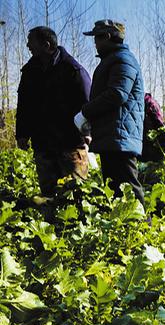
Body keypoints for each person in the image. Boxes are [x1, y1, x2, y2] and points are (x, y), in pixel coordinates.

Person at [15, 26, 91, 198]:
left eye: (31, 41)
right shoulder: (29, 72)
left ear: (46, 45)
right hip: (43, 144)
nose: (28, 45)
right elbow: (24, 105)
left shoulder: (72, 70)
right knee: (48, 196)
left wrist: (87, 132)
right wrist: (22, 133)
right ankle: (51, 224)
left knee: (74, 195)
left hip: (70, 144)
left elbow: (87, 104)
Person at [78, 19, 145, 204]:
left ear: (107, 37)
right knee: (115, 189)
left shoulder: (123, 60)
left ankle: (142, 227)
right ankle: (124, 227)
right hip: (113, 136)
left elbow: (117, 94)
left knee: (129, 189)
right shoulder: (114, 60)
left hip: (120, 136)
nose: (95, 43)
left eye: (97, 38)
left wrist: (85, 112)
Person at [140, 92, 165, 162]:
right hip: (143, 142)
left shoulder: (150, 102)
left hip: (151, 141)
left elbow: (159, 120)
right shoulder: (145, 101)